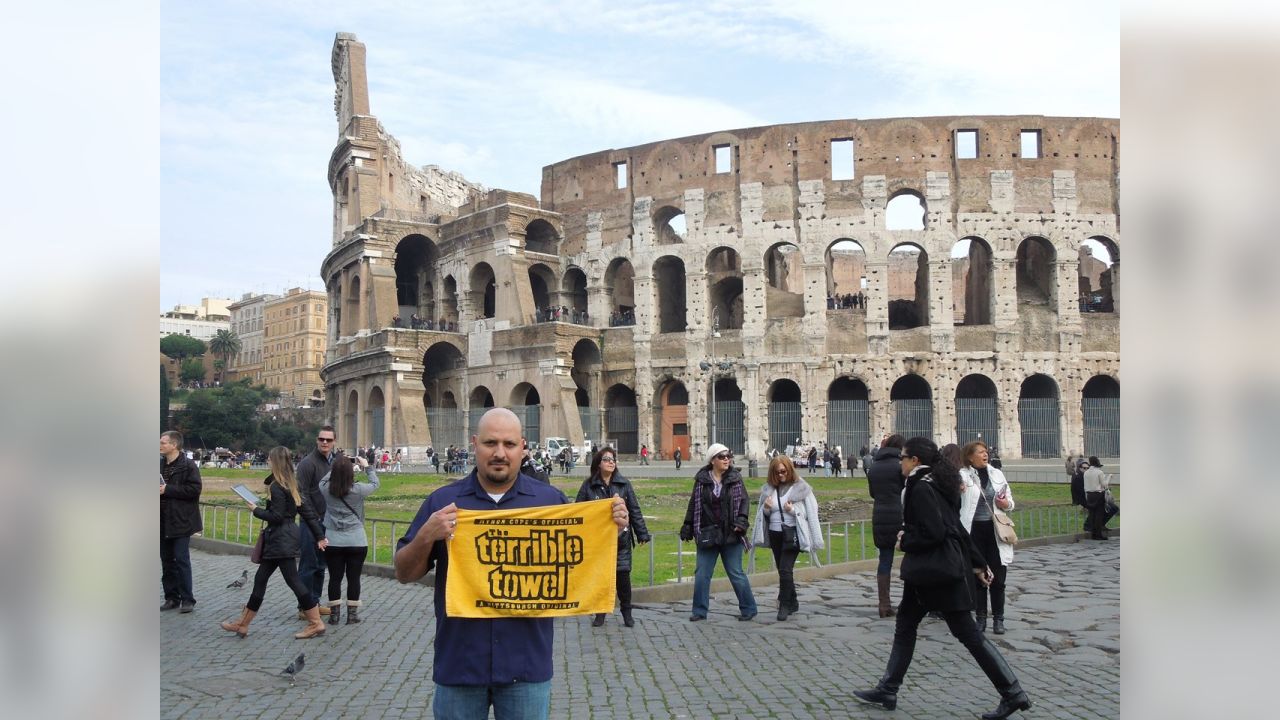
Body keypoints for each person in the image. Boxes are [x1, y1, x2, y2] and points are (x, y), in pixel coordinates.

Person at [394, 409, 628, 720]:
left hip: (527, 666)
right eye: (490, 443)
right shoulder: (443, 502)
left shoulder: (550, 502)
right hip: (460, 665)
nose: (500, 453)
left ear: (523, 447)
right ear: (475, 444)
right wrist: (426, 535)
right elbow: (404, 572)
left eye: (509, 444)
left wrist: (612, 525)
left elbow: (581, 561)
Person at [853, 437, 1032, 719]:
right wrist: (977, 563)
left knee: (968, 635)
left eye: (903, 457)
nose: (900, 462)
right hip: (930, 572)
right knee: (905, 626)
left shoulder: (921, 487)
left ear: (914, 461)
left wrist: (905, 541)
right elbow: (956, 528)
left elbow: (935, 532)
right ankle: (888, 688)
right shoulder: (938, 483)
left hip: (934, 572)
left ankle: (1012, 693)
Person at [220, 447, 330, 640]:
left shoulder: (277, 486)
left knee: (293, 581)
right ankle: (243, 624)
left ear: (274, 461)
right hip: (284, 537)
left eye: (270, 459)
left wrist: (255, 510)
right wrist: (320, 536)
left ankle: (316, 623)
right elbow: (307, 513)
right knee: (261, 579)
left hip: (280, 538)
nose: (268, 462)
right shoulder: (292, 484)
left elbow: (277, 516)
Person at [679, 443, 758, 622]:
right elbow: (694, 504)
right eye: (722, 457)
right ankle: (699, 611)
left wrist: (742, 522)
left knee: (736, 572)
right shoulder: (701, 480)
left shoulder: (735, 478)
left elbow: (744, 502)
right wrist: (687, 525)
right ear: (712, 460)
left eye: (728, 456)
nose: (726, 460)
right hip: (708, 532)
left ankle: (749, 608)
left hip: (731, 532)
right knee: (702, 574)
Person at [575, 446, 651, 627]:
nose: (611, 462)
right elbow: (579, 510)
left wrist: (642, 533)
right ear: (598, 463)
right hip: (599, 541)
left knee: (623, 579)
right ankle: (600, 613)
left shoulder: (624, 484)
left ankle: (627, 612)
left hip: (621, 541)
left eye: (613, 459)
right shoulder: (588, 485)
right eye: (607, 459)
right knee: (601, 579)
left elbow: (634, 510)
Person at [751, 455, 823, 621]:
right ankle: (793, 601)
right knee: (782, 569)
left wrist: (792, 511)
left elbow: (811, 513)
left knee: (785, 569)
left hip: (793, 534)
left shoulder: (801, 488)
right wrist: (767, 509)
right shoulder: (769, 489)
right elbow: (762, 515)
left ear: (789, 470)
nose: (780, 475)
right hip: (775, 534)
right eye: (776, 473)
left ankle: (783, 604)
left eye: (783, 471)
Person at [959, 440, 1016, 634]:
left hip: (995, 530)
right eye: (981, 452)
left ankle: (998, 619)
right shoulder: (963, 476)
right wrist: (957, 491)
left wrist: (1005, 502)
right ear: (969, 456)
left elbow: (1010, 502)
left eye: (986, 452)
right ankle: (980, 618)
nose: (985, 455)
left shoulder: (997, 474)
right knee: (978, 576)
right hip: (974, 531)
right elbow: (955, 502)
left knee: (999, 579)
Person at [319, 454, 380, 625]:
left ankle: (334, 615)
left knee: (334, 578)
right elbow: (376, 484)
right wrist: (367, 466)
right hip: (356, 540)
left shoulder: (326, 489)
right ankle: (352, 615)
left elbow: (321, 482)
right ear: (351, 474)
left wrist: (335, 467)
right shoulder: (358, 490)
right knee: (354, 578)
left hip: (333, 540)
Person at [294, 426, 336, 618]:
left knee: (320, 565)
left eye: (328, 440)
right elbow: (300, 495)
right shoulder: (307, 464)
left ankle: (315, 602)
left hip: (327, 521)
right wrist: (313, 518)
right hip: (310, 522)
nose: (324, 442)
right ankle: (304, 607)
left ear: (334, 441)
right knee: (308, 565)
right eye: (321, 439)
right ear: (316, 440)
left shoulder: (333, 463)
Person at [160, 431, 202, 613]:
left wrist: (168, 489)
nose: (160, 445)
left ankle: (187, 599)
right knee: (166, 560)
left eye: (163, 442)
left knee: (181, 558)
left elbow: (194, 490)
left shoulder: (188, 465)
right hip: (162, 519)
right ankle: (171, 597)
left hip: (181, 519)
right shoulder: (159, 464)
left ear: (174, 445)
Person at [866, 434, 906, 618]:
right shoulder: (901, 466)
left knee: (885, 560)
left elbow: (873, 493)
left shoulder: (874, 467)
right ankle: (912, 602)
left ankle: (884, 604)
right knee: (911, 557)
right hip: (900, 514)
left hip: (880, 515)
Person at [1083, 456, 1113, 539]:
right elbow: (1104, 485)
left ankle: (1093, 534)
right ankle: (1098, 535)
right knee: (1099, 515)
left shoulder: (1086, 472)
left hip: (1089, 495)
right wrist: (1109, 477)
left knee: (1092, 514)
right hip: (1098, 494)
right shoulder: (1099, 472)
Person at [1071, 458, 1091, 532]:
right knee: (1094, 509)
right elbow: (1079, 490)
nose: (1086, 469)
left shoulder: (1082, 475)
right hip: (1081, 498)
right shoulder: (1078, 476)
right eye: (1084, 468)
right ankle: (1087, 526)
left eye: (1087, 468)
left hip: (1084, 497)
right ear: (1080, 468)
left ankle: (1091, 526)